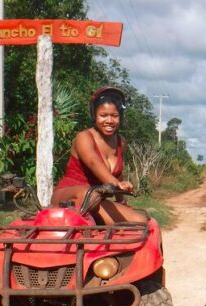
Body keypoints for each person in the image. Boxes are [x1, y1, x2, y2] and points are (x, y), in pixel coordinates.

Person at [51, 86, 147, 225]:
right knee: (91, 196)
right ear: (94, 115)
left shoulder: (121, 142)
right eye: (103, 115)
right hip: (71, 197)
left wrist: (121, 200)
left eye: (114, 116)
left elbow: (117, 174)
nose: (109, 121)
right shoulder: (83, 137)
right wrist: (118, 184)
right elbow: (94, 163)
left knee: (140, 221)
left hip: (96, 201)